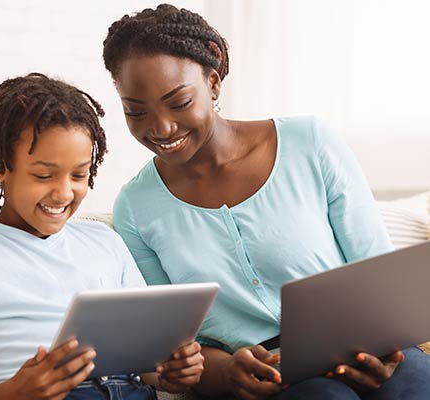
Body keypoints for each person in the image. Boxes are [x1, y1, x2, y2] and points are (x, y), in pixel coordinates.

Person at [102, 4, 430, 400]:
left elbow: (378, 271)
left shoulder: (310, 143)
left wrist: (388, 346)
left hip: (364, 348)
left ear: (213, 80)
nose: (161, 128)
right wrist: (225, 372)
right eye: (135, 112)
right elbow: (170, 348)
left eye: (179, 102)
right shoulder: (136, 208)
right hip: (268, 380)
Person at [0, 73, 204, 400]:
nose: (63, 193)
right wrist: (13, 393)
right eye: (44, 175)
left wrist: (168, 371)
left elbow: (143, 361)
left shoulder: (104, 241)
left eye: (79, 175)